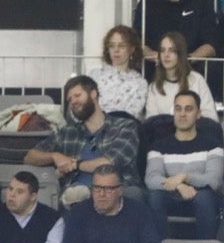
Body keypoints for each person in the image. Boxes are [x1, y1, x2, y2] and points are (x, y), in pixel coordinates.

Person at [24, 77, 141, 206]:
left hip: (117, 193)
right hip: (76, 198)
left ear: (93, 94)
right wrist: (54, 156)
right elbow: (30, 157)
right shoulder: (68, 132)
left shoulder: (124, 126)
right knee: (73, 197)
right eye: (70, 99)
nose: (73, 101)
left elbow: (110, 164)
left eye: (77, 95)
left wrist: (75, 164)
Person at [143, 89, 224, 239]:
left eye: (188, 109)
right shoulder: (158, 145)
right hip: (171, 197)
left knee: (204, 198)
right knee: (154, 196)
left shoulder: (213, 144)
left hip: (202, 197)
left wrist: (184, 177)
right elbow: (151, 179)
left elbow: (214, 181)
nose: (182, 114)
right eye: (178, 109)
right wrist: (179, 185)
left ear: (198, 114)